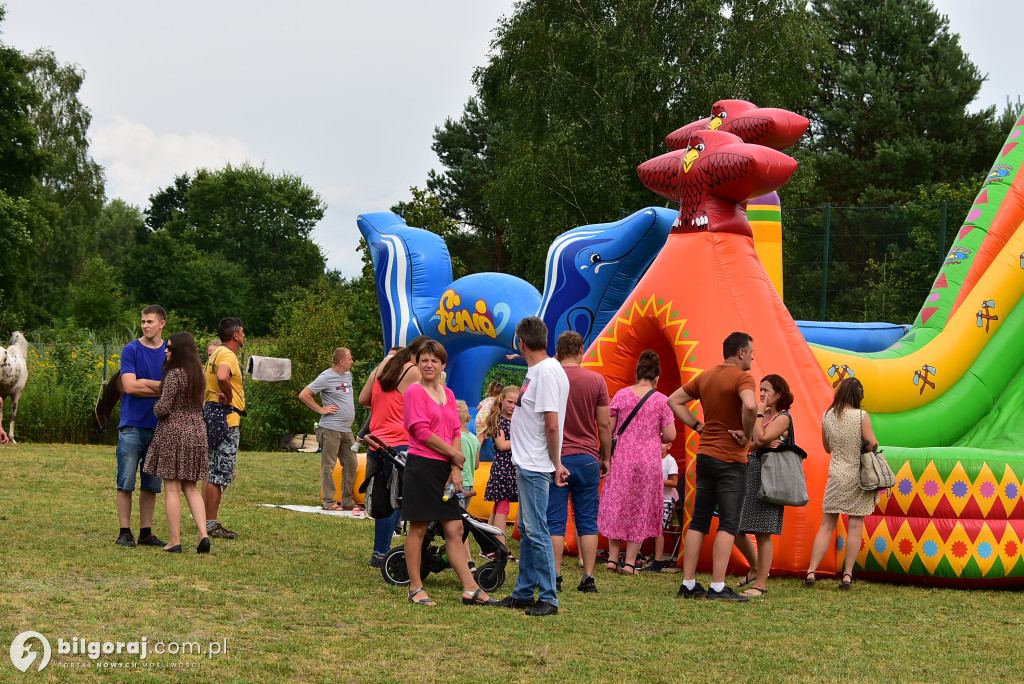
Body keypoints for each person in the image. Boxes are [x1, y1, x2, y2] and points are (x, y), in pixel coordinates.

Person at [400, 339, 497, 607]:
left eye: (434, 360)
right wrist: (454, 455)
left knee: (454, 528)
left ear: (443, 364)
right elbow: (420, 431)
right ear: (417, 364)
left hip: (445, 467)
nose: (428, 364)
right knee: (419, 528)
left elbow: (456, 431)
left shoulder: (449, 394)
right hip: (422, 466)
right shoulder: (414, 392)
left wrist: (455, 467)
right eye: (423, 360)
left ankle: (470, 589)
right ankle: (416, 588)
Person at [667, 331, 758, 602]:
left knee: (699, 520)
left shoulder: (706, 376)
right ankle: (718, 586)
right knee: (728, 524)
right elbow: (751, 406)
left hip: (704, 454)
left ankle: (689, 582)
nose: (753, 356)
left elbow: (673, 400)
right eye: (751, 351)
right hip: (731, 459)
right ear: (741, 352)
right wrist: (746, 432)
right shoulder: (744, 377)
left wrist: (696, 425)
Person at [498, 316, 569, 617]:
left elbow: (552, 424)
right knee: (527, 529)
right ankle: (524, 592)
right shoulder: (538, 371)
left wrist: (556, 463)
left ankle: (549, 597)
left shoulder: (548, 373)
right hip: (528, 460)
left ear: (522, 343)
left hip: (537, 463)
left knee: (537, 529)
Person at [597, 350, 677, 575]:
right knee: (640, 508)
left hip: (622, 459)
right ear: (657, 378)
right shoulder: (662, 401)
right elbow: (670, 435)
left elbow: (610, 429)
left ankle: (612, 559)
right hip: (649, 461)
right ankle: (630, 562)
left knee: (618, 504)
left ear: (637, 374)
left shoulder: (621, 395)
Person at [547, 330, 612, 593]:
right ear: (582, 350)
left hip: (557, 458)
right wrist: (605, 456)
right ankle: (588, 577)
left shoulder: (551, 378)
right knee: (587, 520)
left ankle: (556, 575)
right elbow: (605, 423)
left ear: (558, 351)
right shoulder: (596, 380)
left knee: (556, 521)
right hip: (587, 458)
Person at [804, 377, 879, 591]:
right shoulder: (861, 416)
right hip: (858, 476)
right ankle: (847, 575)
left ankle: (811, 571)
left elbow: (827, 448)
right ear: (857, 395)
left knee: (827, 524)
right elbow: (872, 444)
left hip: (836, 475)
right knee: (855, 526)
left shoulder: (827, 415)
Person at [142, 332, 211, 554]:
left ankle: (175, 540)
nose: (166, 350)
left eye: (169, 347)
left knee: (172, 487)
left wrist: (155, 407)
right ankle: (203, 535)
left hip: (175, 432)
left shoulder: (174, 375)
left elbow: (163, 408)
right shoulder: (199, 375)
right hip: (198, 431)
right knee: (191, 486)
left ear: (179, 350)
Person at [733, 374, 795, 598]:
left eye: (767, 390)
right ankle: (755, 568)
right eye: (760, 389)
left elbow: (757, 438)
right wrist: (757, 442)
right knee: (735, 528)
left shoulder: (784, 418)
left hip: (769, 480)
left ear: (779, 394)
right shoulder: (760, 415)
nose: (761, 394)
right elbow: (745, 444)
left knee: (763, 532)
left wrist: (759, 421)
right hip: (749, 476)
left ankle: (760, 584)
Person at [358, 345, 419, 567]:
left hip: (376, 442)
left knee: (383, 498)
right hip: (400, 442)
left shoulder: (381, 369)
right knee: (396, 498)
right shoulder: (412, 371)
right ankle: (383, 554)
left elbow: (363, 399)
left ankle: (381, 552)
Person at [114, 305, 168, 548]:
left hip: (160, 427)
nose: (145, 325)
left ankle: (146, 532)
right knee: (125, 481)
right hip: (132, 425)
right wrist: (160, 389)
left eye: (150, 321)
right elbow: (129, 387)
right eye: (143, 321)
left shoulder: (170, 352)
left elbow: (175, 388)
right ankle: (125, 532)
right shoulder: (131, 350)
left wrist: (145, 383)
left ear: (162, 324)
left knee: (151, 484)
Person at [203, 317, 246, 540]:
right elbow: (222, 376)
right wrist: (229, 396)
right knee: (219, 472)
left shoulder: (216, 353)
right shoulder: (227, 354)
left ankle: (206, 520)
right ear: (235, 335)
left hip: (212, 413)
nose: (244, 335)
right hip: (225, 417)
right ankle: (210, 523)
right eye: (242, 331)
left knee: (213, 469)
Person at [299, 348, 357, 512]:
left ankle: (347, 500)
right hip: (330, 429)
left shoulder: (347, 375)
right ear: (341, 362)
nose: (352, 361)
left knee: (351, 463)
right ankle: (329, 501)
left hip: (346, 429)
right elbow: (304, 394)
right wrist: (321, 409)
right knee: (329, 465)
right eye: (350, 359)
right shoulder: (326, 377)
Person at [481, 385, 519, 535]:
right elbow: (502, 445)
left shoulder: (516, 420)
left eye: (516, 403)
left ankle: (488, 541)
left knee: (498, 507)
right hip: (503, 469)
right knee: (503, 508)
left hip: (512, 468)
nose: (513, 406)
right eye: (510, 402)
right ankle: (500, 545)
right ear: (502, 400)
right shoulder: (499, 420)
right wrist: (522, 439)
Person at [643, 442, 680, 573]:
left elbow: (674, 482)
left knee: (658, 531)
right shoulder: (651, 459)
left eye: (663, 443)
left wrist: (657, 480)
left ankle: (657, 563)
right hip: (650, 500)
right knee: (651, 530)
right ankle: (656, 553)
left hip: (665, 501)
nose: (659, 445)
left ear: (669, 446)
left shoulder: (670, 461)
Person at [457, 400, 481, 568]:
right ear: (469, 417)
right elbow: (476, 465)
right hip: (470, 486)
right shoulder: (474, 439)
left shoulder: (455, 438)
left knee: (457, 525)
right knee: (462, 521)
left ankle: (466, 559)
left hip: (457, 486)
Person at [475, 381, 503, 461]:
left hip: (479, 419)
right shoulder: (498, 401)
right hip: (488, 420)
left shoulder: (486, 400)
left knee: (480, 439)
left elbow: (478, 408)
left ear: (489, 391)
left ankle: (476, 459)